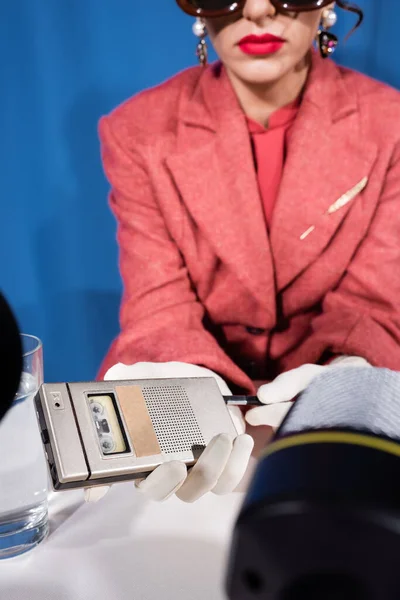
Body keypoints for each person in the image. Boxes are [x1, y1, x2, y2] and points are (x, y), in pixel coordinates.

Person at [89, 0, 400, 504]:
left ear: (328, 8)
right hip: (191, 420)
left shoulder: (391, 125)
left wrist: (348, 382)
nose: (256, 9)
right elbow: (158, 301)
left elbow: (374, 303)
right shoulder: (137, 130)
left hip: (333, 430)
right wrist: (187, 385)